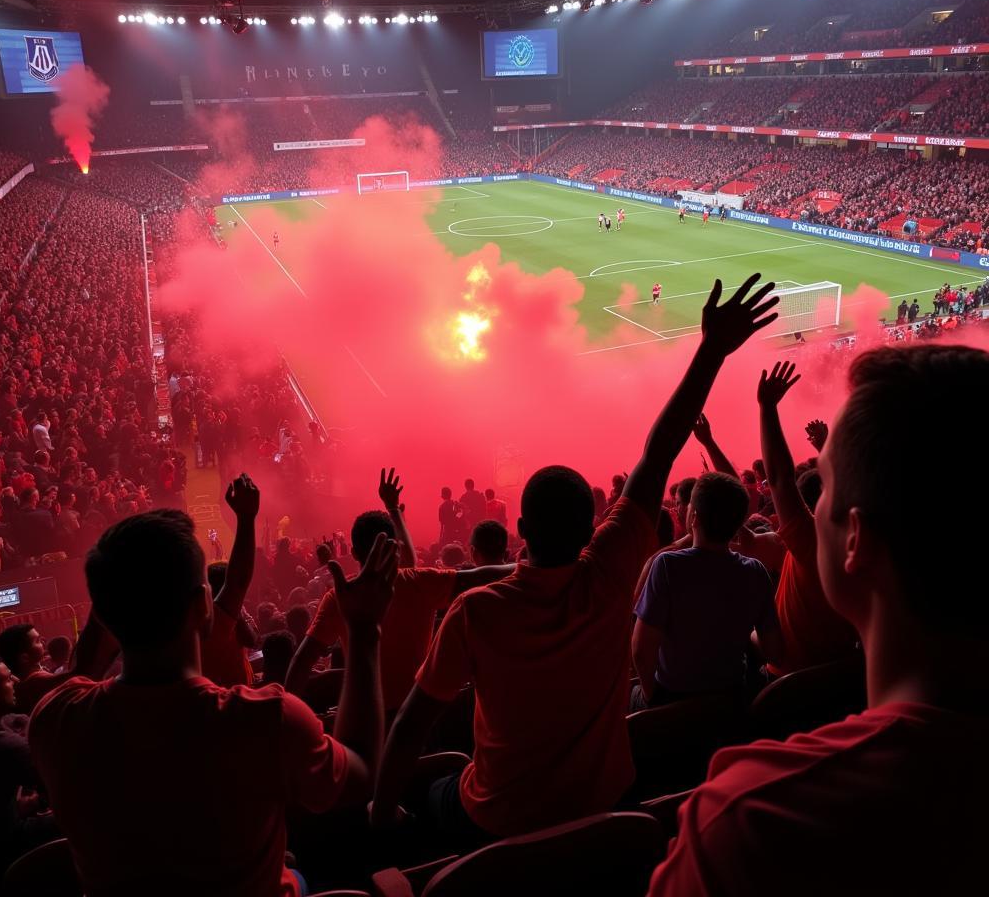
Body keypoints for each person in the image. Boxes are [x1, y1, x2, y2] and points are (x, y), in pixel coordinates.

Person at [371, 274, 780, 843]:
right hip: (609, 803)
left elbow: (412, 722)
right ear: (594, 527)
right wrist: (711, 350)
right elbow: (659, 451)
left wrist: (382, 813)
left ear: (520, 530)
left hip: (497, 818)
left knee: (431, 779)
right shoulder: (613, 573)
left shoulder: (474, 612)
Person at [650, 345, 989, 896]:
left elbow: (781, 483)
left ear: (855, 539)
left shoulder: (746, 820)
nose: (808, 512)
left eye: (826, 488)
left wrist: (757, 404)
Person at [29, 504, 399, 897]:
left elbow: (82, 669)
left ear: (102, 616)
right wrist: (363, 630)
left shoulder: (54, 720)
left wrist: (111, 601)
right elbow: (361, 776)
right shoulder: (266, 718)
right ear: (204, 604)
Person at [287, 502, 512, 712]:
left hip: (364, 713)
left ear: (354, 553)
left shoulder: (339, 597)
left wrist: (287, 718)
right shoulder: (418, 582)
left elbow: (301, 661)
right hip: (418, 712)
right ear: (395, 548)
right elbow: (481, 575)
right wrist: (529, 564)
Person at [630, 472, 783, 709]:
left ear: (694, 518)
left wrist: (653, 697)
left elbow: (641, 651)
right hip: (732, 698)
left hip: (673, 701)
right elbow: (773, 649)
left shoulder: (667, 566)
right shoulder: (755, 572)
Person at [757, 362, 857, 674]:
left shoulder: (813, 540)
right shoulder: (871, 544)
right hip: (840, 674)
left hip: (790, 677)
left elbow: (780, 479)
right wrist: (827, 449)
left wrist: (767, 407)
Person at [0, 652, 59, 887]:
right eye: (8, 679)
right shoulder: (6, 745)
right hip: (5, 850)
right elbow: (61, 789)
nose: (16, 681)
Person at [201, 475, 259, 687]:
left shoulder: (189, 624)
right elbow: (238, 582)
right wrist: (246, 517)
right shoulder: (218, 622)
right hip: (234, 696)